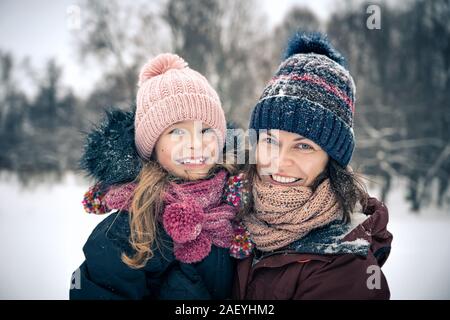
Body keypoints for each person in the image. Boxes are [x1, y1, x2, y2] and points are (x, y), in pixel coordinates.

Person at [225, 32, 393, 300]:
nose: (280, 161)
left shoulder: (345, 266)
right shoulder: (224, 217)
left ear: (331, 161)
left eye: (303, 146)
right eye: (270, 140)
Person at [70, 53, 237, 299]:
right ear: (152, 146)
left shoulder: (236, 207)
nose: (196, 144)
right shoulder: (126, 229)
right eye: (177, 131)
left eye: (205, 130)